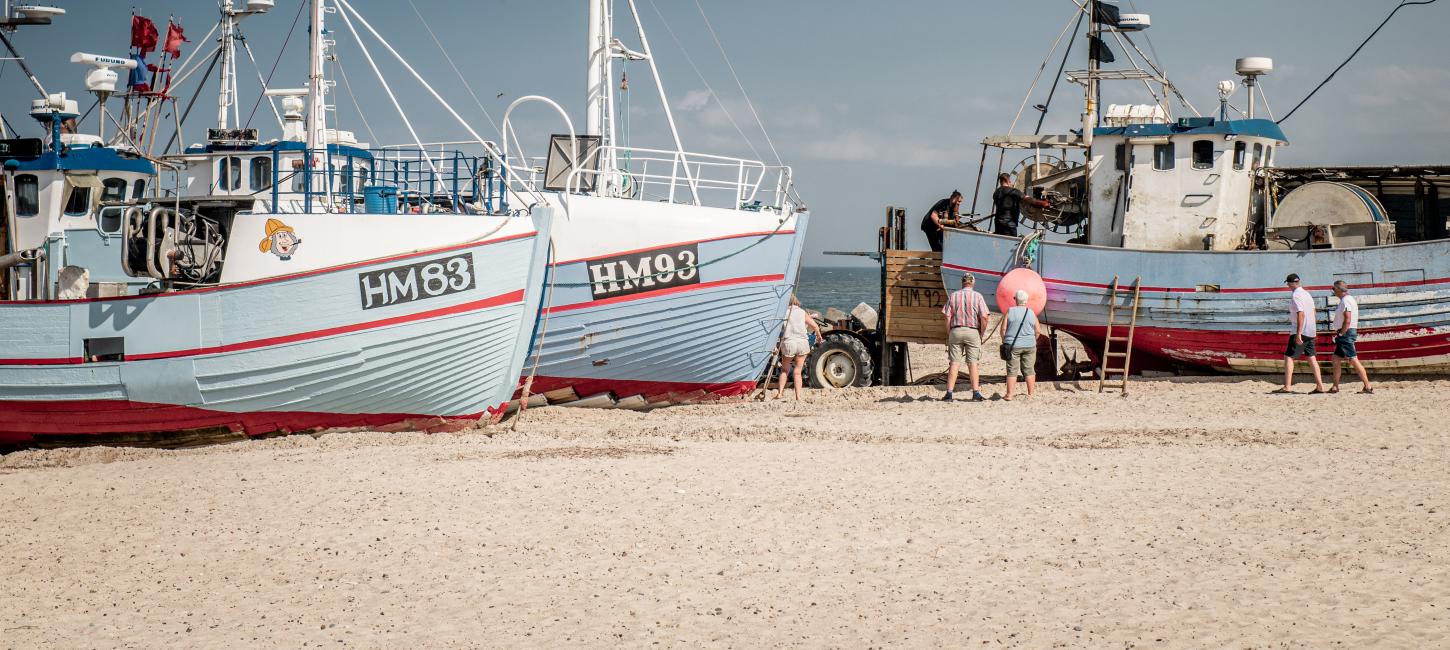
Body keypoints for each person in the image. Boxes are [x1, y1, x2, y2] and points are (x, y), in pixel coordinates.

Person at [941, 273, 991, 402]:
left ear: (962, 282)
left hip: (956, 331)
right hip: (972, 331)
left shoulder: (953, 295)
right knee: (972, 363)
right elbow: (985, 316)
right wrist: (981, 332)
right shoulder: (978, 296)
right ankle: (975, 393)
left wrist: (949, 332)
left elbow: (947, 316)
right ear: (973, 283)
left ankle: (949, 393)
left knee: (954, 363)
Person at [1275, 273, 1326, 394]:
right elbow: (1313, 312)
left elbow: (1300, 313)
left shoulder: (1296, 295)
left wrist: (1298, 333)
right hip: (1310, 330)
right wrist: (1314, 329)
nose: (1287, 285)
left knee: (1289, 356)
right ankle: (1320, 386)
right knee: (1311, 357)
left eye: (1288, 283)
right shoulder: (1307, 294)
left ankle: (1287, 386)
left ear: (1291, 283)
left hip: (1300, 330)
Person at [1329, 280, 1374, 394]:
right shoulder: (1348, 300)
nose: (1333, 291)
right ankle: (1335, 386)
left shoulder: (1346, 301)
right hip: (1346, 332)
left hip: (1346, 333)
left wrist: (1341, 333)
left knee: (1353, 359)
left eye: (1334, 289)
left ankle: (1368, 386)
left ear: (1339, 289)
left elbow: (1347, 319)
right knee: (1336, 359)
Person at [775, 294, 823, 400]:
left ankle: (780, 394)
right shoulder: (802, 312)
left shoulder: (783, 313)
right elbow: (814, 326)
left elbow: (776, 330)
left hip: (789, 343)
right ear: (796, 301)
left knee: (784, 370)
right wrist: (819, 336)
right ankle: (798, 396)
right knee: (797, 372)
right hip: (802, 343)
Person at [1000, 289, 1042, 401]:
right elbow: (1038, 330)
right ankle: (1031, 393)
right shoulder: (1031, 312)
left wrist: (1005, 341)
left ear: (1016, 300)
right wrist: (1033, 340)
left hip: (1013, 345)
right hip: (1030, 345)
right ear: (1026, 301)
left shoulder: (1010, 311)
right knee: (1029, 369)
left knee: (1012, 370)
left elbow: (1003, 329)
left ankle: (1009, 395)